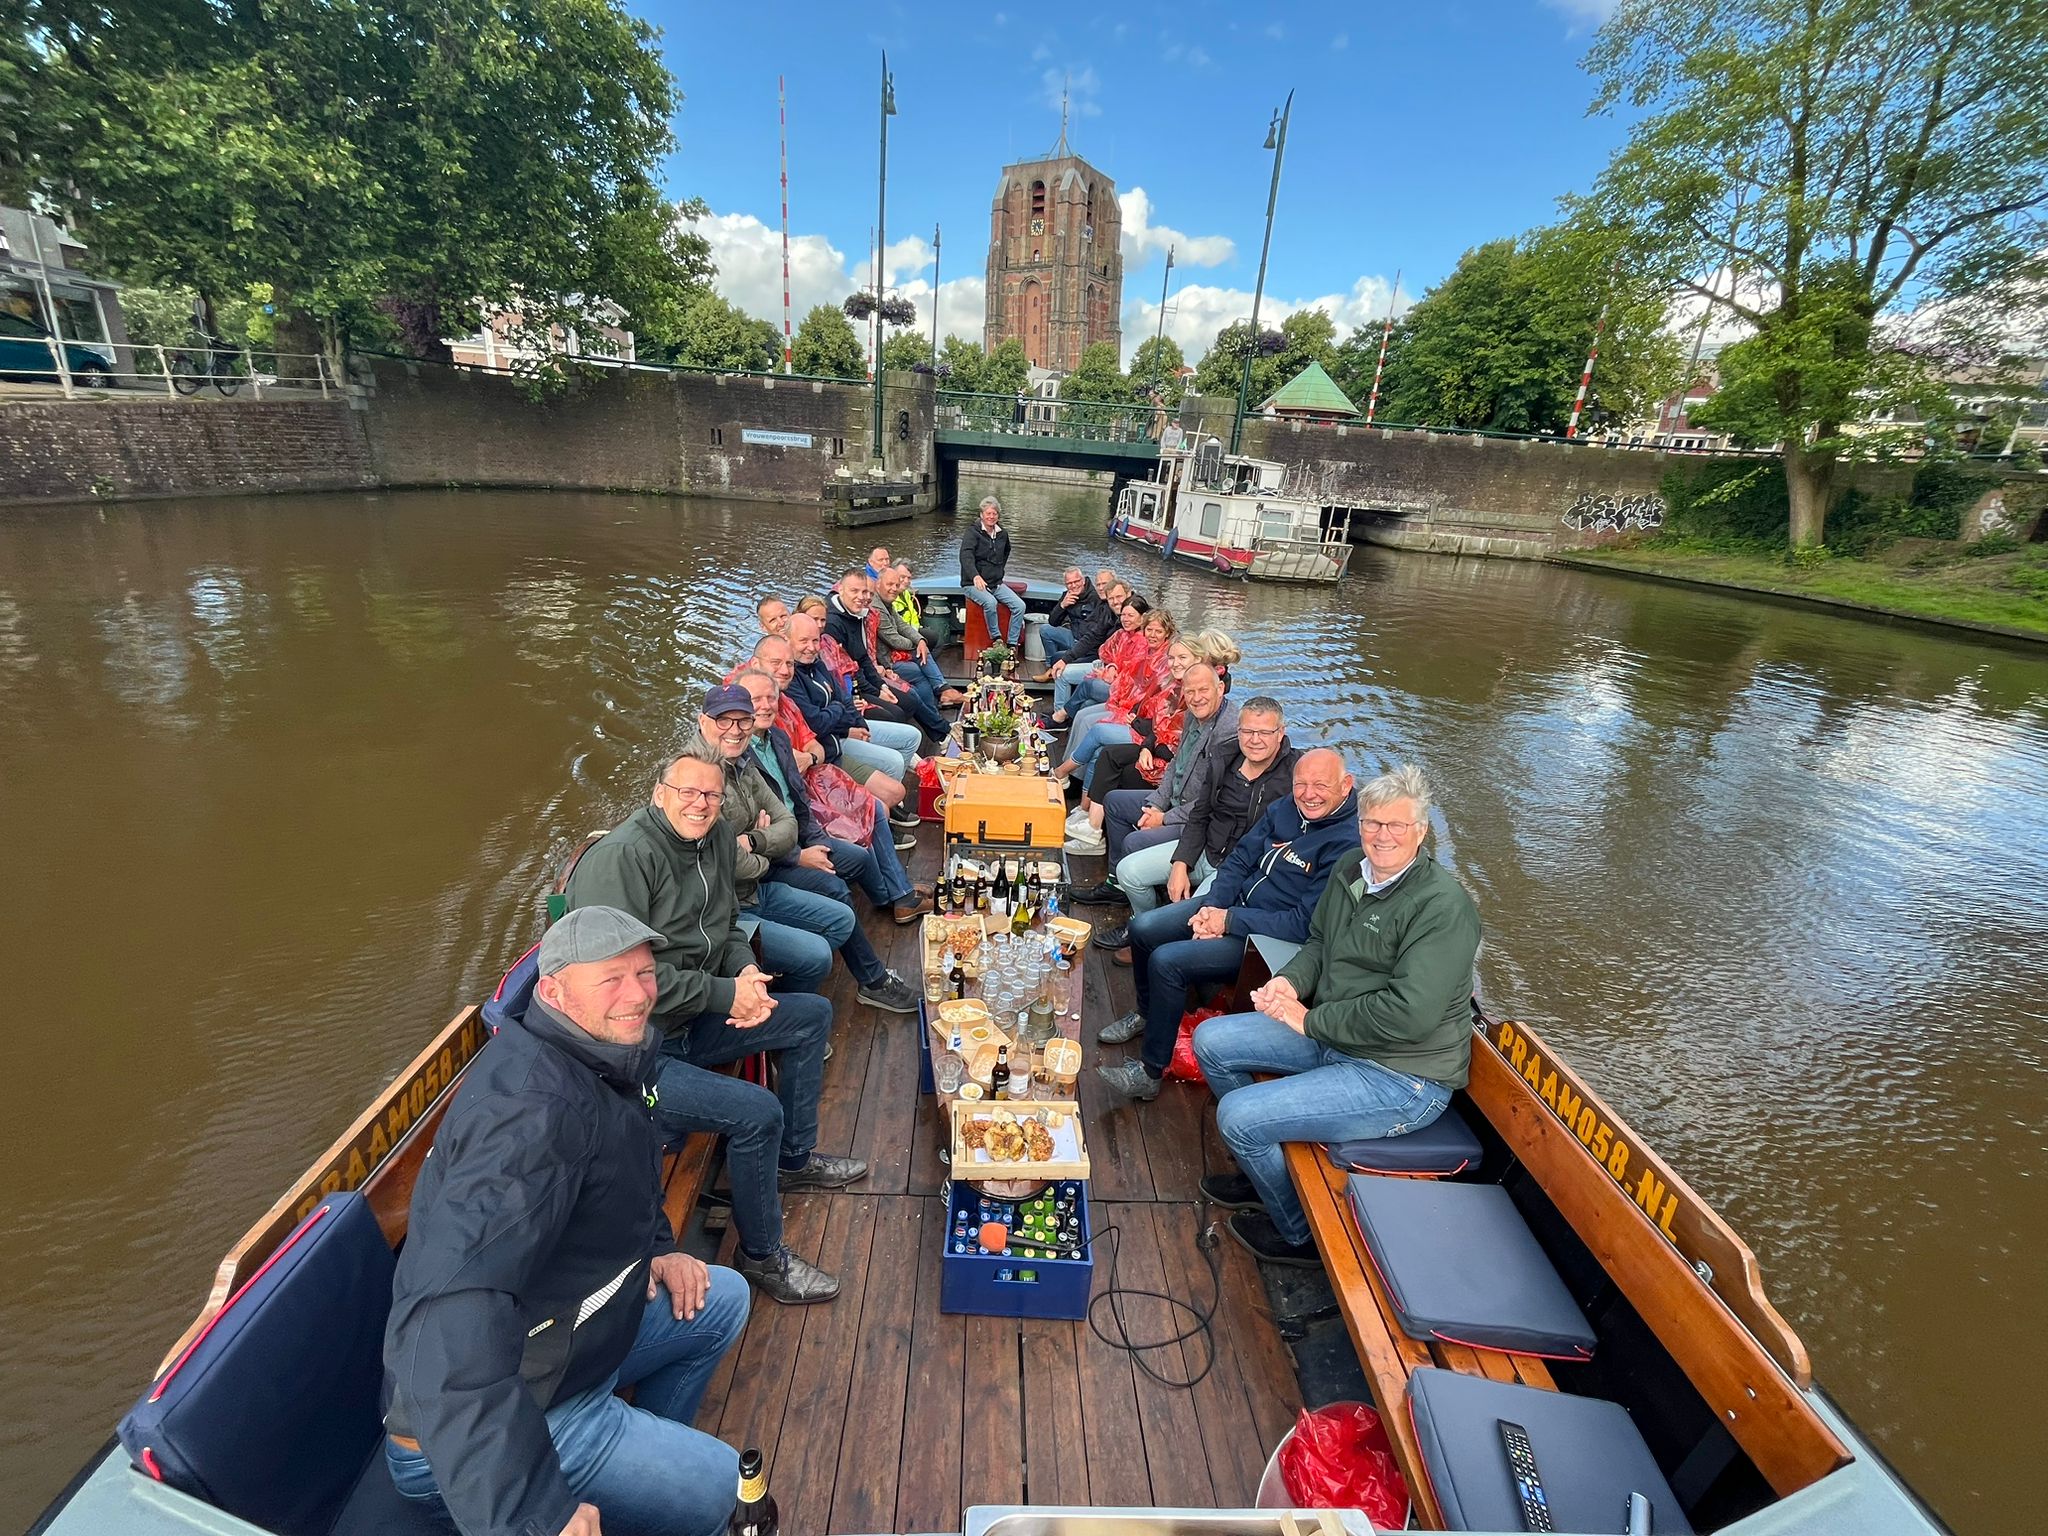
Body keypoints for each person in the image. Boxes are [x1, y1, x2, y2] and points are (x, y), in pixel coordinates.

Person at [382, 906, 753, 1536]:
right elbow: (445, 1317)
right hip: (512, 1413)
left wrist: (660, 1246)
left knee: (722, 1300)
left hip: (570, 1347)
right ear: (553, 992)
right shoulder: (529, 1120)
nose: (638, 994)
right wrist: (531, 1511)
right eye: (611, 979)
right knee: (728, 1492)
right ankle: (652, 1488)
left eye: (644, 972)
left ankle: (646, 1484)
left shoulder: (602, 1058)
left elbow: (620, 1182)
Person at [564, 746, 859, 1303]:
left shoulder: (717, 838)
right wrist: (725, 993)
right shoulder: (622, 860)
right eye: (688, 792)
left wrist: (745, 977)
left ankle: (794, 1162)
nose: (701, 804)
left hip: (692, 1017)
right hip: (633, 1055)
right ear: (659, 793)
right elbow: (623, 988)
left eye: (712, 795)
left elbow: (725, 927)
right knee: (756, 1112)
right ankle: (761, 1256)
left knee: (810, 1016)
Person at [1193, 765, 1481, 1266]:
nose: (1382, 835)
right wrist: (1290, 982)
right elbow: (1320, 942)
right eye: (1372, 823)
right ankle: (1264, 1162)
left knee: (1238, 1116)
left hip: (1400, 1076)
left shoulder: (1443, 908)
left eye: (1397, 825)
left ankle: (1298, 1234)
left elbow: (1408, 1014)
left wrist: (1310, 1021)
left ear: (1422, 830)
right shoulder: (1352, 867)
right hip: (1339, 1038)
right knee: (1211, 1041)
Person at [1096, 749, 1361, 1102]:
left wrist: (1229, 921)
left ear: (1346, 785)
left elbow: (1302, 924)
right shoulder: (1285, 808)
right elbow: (1239, 860)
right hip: (1234, 908)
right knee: (1145, 928)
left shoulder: (1346, 845)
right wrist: (1215, 906)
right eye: (1301, 784)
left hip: (1269, 939)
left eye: (1320, 785)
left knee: (1168, 961)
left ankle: (1150, 1071)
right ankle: (1146, 1014)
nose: (1308, 794)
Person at [691, 684, 919, 1013]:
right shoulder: (696, 780)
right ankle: (799, 1014)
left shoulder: (744, 761)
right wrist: (773, 852)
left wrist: (757, 840)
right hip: (729, 905)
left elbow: (787, 817)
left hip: (757, 879)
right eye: (724, 721)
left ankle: (886, 925)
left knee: (853, 867)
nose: (735, 730)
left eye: (743, 721)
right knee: (830, 906)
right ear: (702, 722)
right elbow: (728, 864)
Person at [732, 667, 932, 930]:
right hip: (780, 842)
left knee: (871, 808)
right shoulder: (741, 746)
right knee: (867, 820)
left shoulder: (781, 720)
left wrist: (825, 740)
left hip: (814, 782)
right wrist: (798, 854)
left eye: (770, 698)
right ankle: (895, 895)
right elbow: (822, 725)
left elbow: (814, 746)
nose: (783, 670)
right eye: (757, 699)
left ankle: (896, 895)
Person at [1075, 670, 1248, 916]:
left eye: (1203, 690)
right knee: (1114, 802)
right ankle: (1116, 885)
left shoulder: (1228, 733)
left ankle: (1146, 914)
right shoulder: (1193, 716)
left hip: (1195, 819)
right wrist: (1156, 804)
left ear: (1220, 689)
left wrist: (1164, 818)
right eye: (1190, 692)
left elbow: (1211, 800)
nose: (1196, 698)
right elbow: (1176, 765)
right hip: (1173, 802)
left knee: (1134, 842)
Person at [750, 634, 915, 834]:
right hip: (818, 770)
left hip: (827, 757)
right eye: (776, 663)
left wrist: (814, 752)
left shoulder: (793, 694)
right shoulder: (756, 705)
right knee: (879, 809)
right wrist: (840, 718)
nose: (784, 670)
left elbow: (818, 740)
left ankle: (879, 833)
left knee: (887, 798)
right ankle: (878, 835)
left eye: (789, 663)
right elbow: (818, 724)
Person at [786, 611, 923, 783]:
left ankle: (890, 789)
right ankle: (889, 794)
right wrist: (845, 726)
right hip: (832, 739)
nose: (812, 647)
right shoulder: (789, 677)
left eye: (815, 640)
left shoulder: (817, 664)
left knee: (912, 736)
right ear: (787, 640)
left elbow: (843, 698)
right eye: (803, 641)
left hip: (846, 726)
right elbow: (817, 723)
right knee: (893, 761)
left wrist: (859, 723)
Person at [1056, 607, 1178, 786]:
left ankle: (1070, 775)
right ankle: (1071, 774)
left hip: (1139, 719)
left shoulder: (1166, 662)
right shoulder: (1145, 652)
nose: (1152, 635)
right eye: (1149, 630)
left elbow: (1154, 701)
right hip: (1128, 706)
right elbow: (1133, 682)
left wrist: (1134, 713)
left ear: (1167, 633)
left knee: (1091, 722)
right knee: (1083, 714)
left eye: (1158, 631)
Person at [826, 565, 944, 737]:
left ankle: (940, 727)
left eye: (866, 592)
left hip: (870, 675)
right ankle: (938, 723)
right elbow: (850, 669)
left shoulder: (860, 612)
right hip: (852, 688)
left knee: (913, 688)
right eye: (855, 591)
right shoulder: (834, 623)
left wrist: (919, 640)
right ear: (841, 590)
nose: (862, 597)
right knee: (899, 707)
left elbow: (863, 658)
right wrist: (878, 690)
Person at [875, 563, 966, 710]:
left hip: (896, 648)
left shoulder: (887, 602)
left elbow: (902, 625)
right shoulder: (877, 606)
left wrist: (920, 640)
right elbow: (893, 640)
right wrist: (917, 644)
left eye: (896, 584)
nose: (894, 588)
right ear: (878, 584)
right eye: (890, 584)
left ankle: (942, 692)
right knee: (919, 666)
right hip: (886, 659)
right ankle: (937, 703)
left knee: (927, 646)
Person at [1049, 587, 1145, 726]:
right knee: (1061, 667)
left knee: (1087, 686)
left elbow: (1134, 673)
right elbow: (1097, 641)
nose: (1115, 602)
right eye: (1111, 598)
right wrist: (1111, 666)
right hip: (1104, 666)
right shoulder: (1111, 618)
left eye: (1119, 597)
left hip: (1123, 688)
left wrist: (1110, 671)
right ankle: (1061, 718)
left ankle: (1060, 716)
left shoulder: (1141, 636)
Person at [959, 495, 1025, 647]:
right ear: (981, 515)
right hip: (972, 584)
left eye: (994, 513)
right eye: (988, 513)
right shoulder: (972, 533)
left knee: (1019, 606)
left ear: (998, 516)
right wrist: (975, 576)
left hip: (996, 583)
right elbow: (965, 556)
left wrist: (998, 570)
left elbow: (1006, 551)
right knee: (990, 602)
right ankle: (996, 638)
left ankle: (1012, 643)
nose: (991, 516)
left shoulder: (1003, 534)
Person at [1034, 566, 1104, 676]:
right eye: (1069, 583)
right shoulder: (1067, 595)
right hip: (1073, 636)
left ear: (1083, 581)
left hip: (1086, 642)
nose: (1074, 586)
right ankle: (1050, 668)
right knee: (1045, 630)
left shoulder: (1096, 598)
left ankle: (1055, 668)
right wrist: (1062, 606)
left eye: (1076, 581)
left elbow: (1095, 632)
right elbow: (1053, 622)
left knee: (1060, 656)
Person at [891, 561, 953, 653]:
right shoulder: (890, 598)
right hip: (901, 636)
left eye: (909, 578)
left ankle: (923, 661)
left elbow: (913, 617)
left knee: (937, 640)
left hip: (912, 631)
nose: (907, 581)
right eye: (902, 577)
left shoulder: (906, 594)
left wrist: (916, 632)